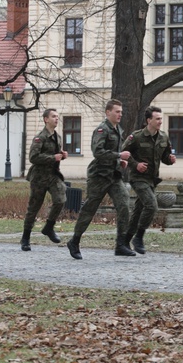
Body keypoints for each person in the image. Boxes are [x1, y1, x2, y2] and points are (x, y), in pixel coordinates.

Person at [67, 100, 133, 260]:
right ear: (108, 112)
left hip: (113, 176)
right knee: (90, 208)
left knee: (124, 203)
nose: (120, 115)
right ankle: (74, 241)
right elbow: (98, 152)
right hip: (99, 176)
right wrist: (118, 156)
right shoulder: (102, 130)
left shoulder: (118, 130)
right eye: (117, 112)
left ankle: (121, 244)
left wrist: (119, 162)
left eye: (121, 112)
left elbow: (112, 153)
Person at [121, 106, 176, 254]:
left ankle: (124, 242)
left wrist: (170, 159)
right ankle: (138, 237)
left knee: (139, 210)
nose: (160, 121)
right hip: (138, 178)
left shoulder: (164, 137)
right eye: (157, 119)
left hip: (152, 179)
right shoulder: (137, 136)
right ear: (148, 120)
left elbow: (165, 157)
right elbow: (123, 153)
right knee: (152, 205)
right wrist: (135, 164)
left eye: (161, 118)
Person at [20, 108, 68, 251]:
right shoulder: (39, 138)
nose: (56, 119)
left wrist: (61, 155)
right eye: (53, 116)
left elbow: (55, 155)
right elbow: (33, 158)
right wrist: (53, 157)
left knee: (60, 199)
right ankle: (25, 238)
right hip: (39, 178)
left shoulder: (57, 137)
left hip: (53, 175)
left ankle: (48, 227)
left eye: (57, 116)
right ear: (46, 119)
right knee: (33, 208)